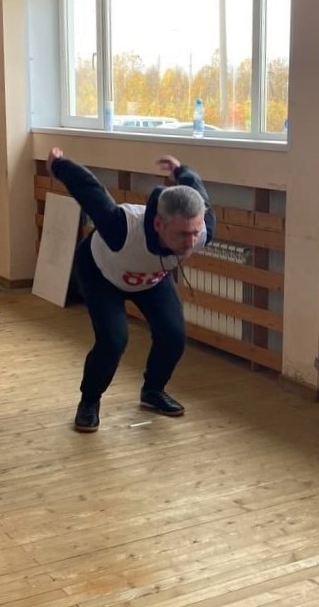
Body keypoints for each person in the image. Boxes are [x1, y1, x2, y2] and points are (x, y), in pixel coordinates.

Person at [46, 147, 215, 432]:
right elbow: (90, 190)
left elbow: (196, 190)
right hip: (101, 273)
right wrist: (59, 165)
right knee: (113, 340)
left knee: (173, 336)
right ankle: (89, 401)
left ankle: (153, 391)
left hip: (150, 278)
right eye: (182, 234)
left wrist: (180, 170)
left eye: (195, 232)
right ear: (159, 224)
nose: (190, 242)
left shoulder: (203, 230)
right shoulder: (121, 227)